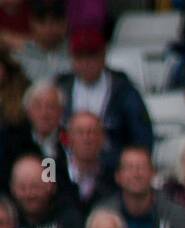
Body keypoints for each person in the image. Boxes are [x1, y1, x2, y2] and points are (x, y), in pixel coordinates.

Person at [55, 29, 152, 168]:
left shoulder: (124, 90)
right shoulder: (60, 87)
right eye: (80, 57)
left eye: (92, 56)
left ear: (104, 56)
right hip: (65, 166)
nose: (86, 63)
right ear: (72, 59)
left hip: (114, 167)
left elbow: (142, 137)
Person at [11, 153, 83, 228]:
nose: (29, 194)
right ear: (12, 189)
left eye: (35, 187)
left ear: (51, 186)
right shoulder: (6, 222)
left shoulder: (70, 220)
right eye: (22, 188)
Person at [61, 110, 113, 216]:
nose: (86, 138)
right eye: (80, 132)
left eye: (92, 132)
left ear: (102, 139)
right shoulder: (56, 175)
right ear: (69, 138)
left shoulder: (112, 178)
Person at [15, 0, 70, 84]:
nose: (49, 27)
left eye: (55, 20)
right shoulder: (19, 58)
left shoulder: (78, 54)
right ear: (32, 22)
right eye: (42, 20)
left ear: (65, 22)